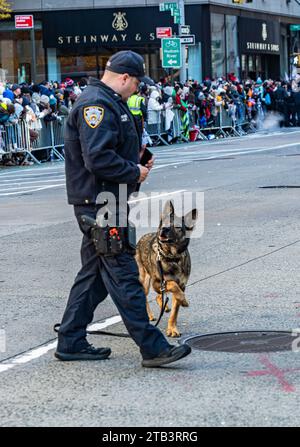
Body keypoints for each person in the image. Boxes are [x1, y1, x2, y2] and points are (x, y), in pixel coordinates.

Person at [55, 50, 192, 367]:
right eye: (136, 83)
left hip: (107, 199)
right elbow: (98, 158)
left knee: (95, 276)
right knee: (125, 273)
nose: (138, 90)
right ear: (125, 77)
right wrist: (134, 172)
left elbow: (113, 148)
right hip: (101, 202)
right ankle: (154, 347)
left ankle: (71, 339)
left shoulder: (108, 101)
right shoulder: (97, 104)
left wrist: (139, 159)